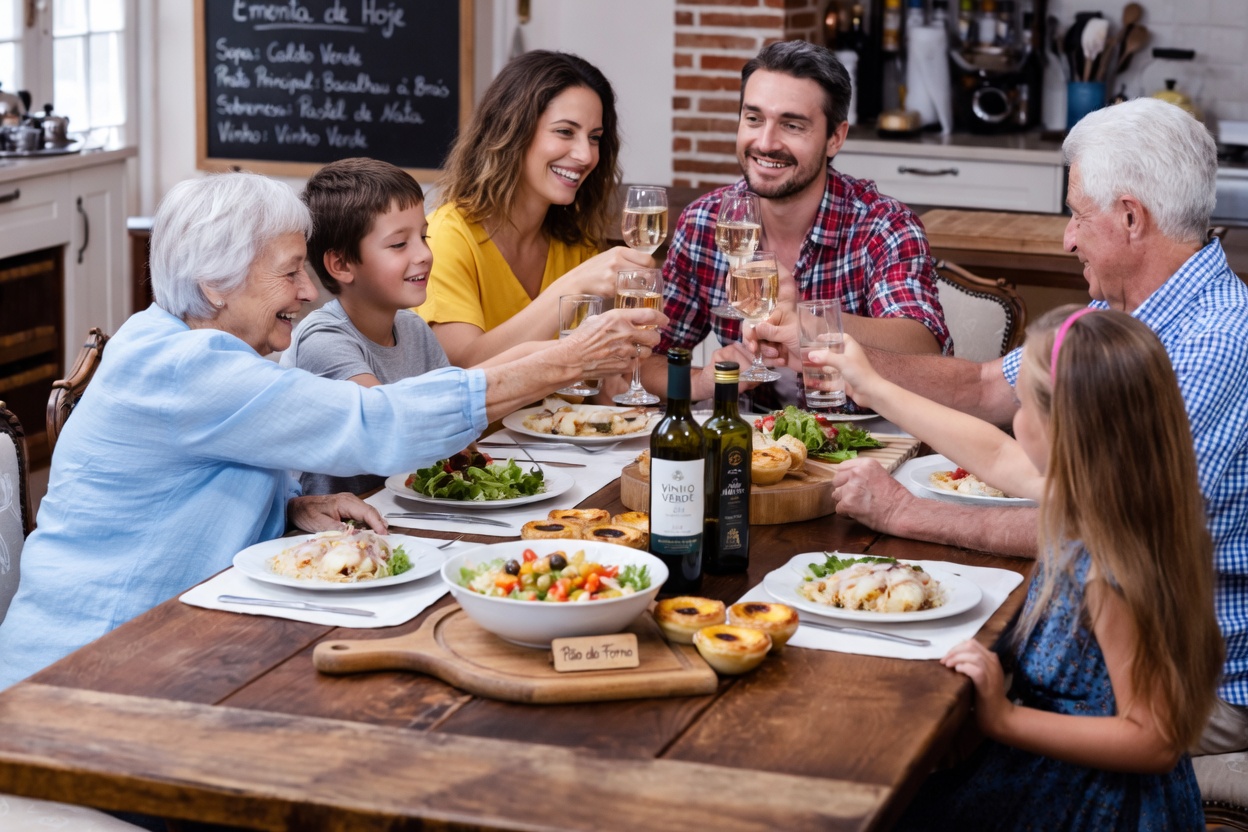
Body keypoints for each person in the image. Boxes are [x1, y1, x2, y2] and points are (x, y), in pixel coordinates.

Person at [0, 172, 663, 688]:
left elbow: (163, 490)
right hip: (87, 673)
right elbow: (377, 424)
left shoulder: (162, 334)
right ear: (214, 284)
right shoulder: (188, 366)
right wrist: (567, 359)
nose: (308, 292)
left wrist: (287, 507)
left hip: (157, 643)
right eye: (288, 273)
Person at [754, 98, 1248, 752]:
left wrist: (910, 515)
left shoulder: (1215, 347)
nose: (1068, 238)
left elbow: (1085, 525)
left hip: (1183, 683)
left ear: (1130, 216)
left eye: (1077, 215)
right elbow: (989, 390)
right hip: (1101, 643)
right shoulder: (1116, 315)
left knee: (893, 719)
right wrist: (834, 352)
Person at [821, 308, 1222, 829]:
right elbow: (994, 454)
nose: (1013, 421)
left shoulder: (1109, 562)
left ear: (1064, 427)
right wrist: (872, 386)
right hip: (1055, 773)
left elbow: (1155, 739)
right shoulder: (1098, 495)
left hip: (1090, 804)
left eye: (1023, 405)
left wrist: (1004, 719)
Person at [637, 39, 950, 406]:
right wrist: (703, 382)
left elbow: (924, 346)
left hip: (868, 444)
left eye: (792, 125)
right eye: (753, 119)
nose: (766, 143)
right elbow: (645, 360)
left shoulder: (883, 225)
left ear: (835, 138)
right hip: (756, 446)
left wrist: (807, 319)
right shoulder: (705, 221)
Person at [416, 50, 653, 368]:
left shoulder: (575, 244)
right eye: (565, 132)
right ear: (513, 131)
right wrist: (573, 286)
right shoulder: (446, 237)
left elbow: (595, 381)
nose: (585, 155)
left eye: (595, 138)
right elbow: (463, 371)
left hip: (562, 420)